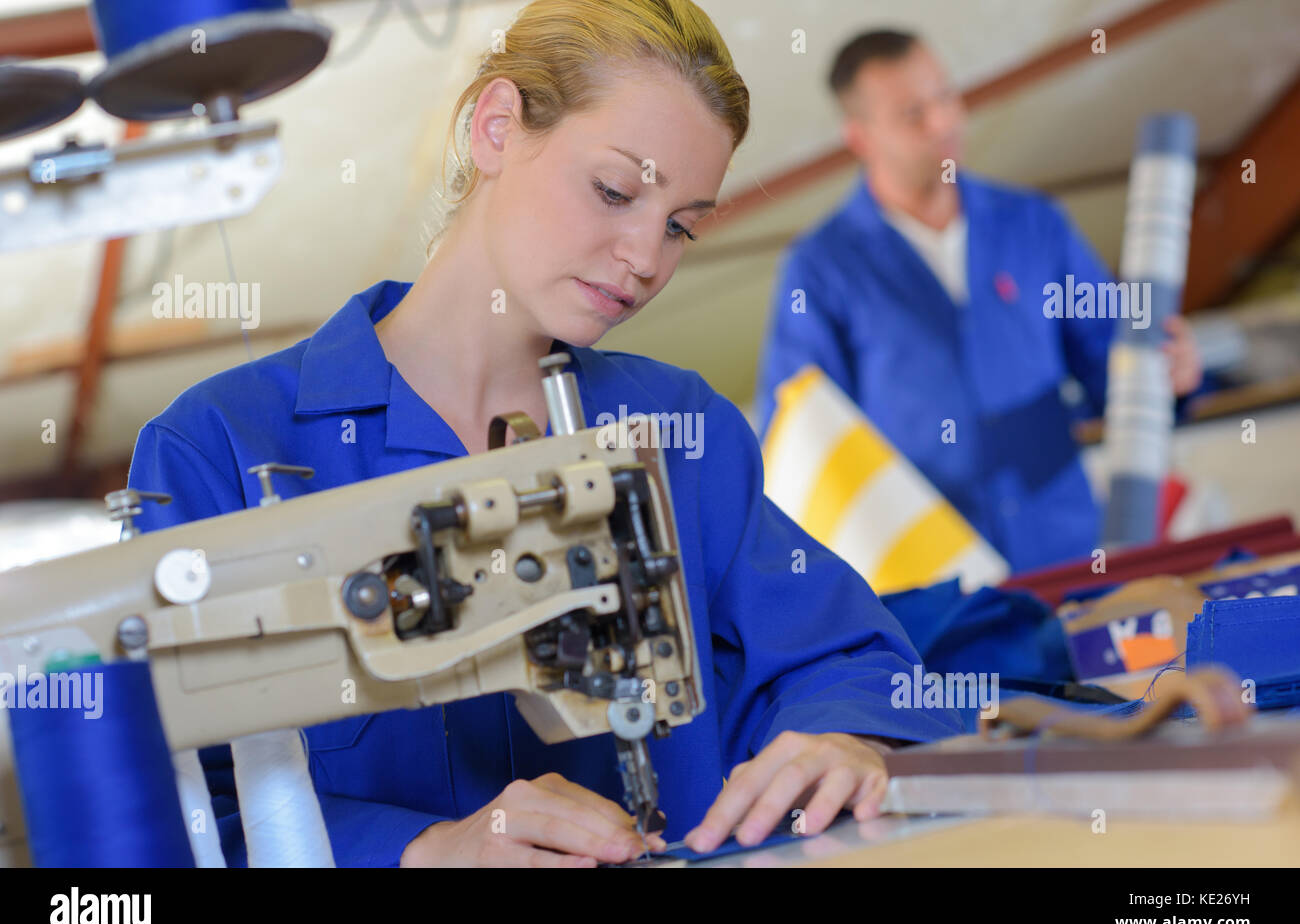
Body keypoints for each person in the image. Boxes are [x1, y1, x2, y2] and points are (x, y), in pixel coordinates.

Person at [127, 0, 961, 868]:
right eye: (614, 191)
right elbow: (172, 818)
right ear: (496, 128)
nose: (645, 257)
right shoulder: (217, 448)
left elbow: (853, 661)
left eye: (681, 225)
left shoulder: (683, 433)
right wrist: (421, 850)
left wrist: (848, 741)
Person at [756, 30, 1203, 573]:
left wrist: (1169, 377)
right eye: (913, 114)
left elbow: (1113, 367)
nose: (943, 123)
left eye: (946, 97)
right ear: (860, 136)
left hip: (1068, 553)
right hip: (936, 582)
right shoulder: (821, 269)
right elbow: (803, 444)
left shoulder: (1035, 225)